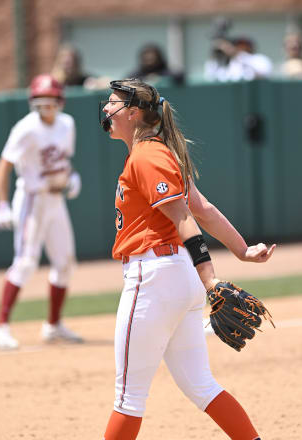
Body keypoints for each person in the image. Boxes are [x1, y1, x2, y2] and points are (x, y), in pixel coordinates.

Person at [99, 78, 275, 439]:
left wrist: (211, 279)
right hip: (177, 280)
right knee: (201, 385)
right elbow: (204, 209)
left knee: (129, 397)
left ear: (133, 113)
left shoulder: (148, 156)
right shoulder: (160, 153)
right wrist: (242, 250)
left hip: (154, 279)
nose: (106, 108)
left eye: (113, 103)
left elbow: (185, 218)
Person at [0, 74, 82, 349]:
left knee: (65, 263)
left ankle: (53, 325)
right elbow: (3, 166)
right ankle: (0, 325)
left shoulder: (67, 124)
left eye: (52, 102)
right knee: (26, 262)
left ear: (60, 102)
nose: (47, 108)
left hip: (55, 200)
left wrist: (72, 176)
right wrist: (2, 203)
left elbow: (62, 160)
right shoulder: (25, 129)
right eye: (42, 103)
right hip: (31, 199)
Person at [204, 36, 273, 82]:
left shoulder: (259, 59)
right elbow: (211, 77)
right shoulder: (231, 63)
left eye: (245, 45)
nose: (241, 48)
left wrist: (236, 54)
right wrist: (215, 57)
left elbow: (263, 73)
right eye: (238, 45)